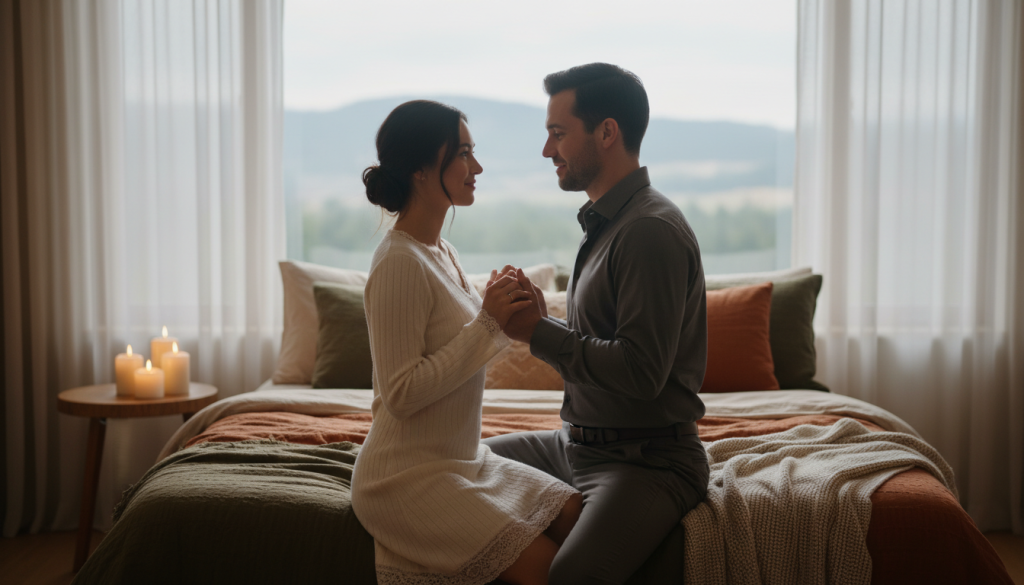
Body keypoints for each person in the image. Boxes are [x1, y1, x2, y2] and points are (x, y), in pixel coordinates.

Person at [483, 63, 711, 584]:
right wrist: (543, 319)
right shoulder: (607, 223)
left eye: (558, 134)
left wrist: (538, 332)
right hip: (574, 446)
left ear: (607, 132)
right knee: (454, 470)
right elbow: (600, 339)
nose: (547, 151)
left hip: (646, 462)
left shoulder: (649, 231)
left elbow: (640, 370)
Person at [350, 99, 583, 585]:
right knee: (547, 571)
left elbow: (467, 341)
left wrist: (506, 311)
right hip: (405, 480)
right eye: (462, 154)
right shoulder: (397, 263)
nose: (476, 167)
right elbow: (401, 393)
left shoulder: (443, 252)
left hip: (465, 462)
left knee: (578, 514)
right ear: (420, 169)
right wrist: (487, 324)